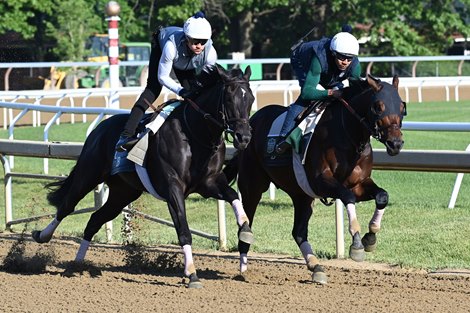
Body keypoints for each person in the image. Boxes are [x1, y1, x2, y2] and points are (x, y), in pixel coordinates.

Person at [115, 11, 217, 152]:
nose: (199, 46)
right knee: (153, 90)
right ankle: (126, 135)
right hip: (162, 47)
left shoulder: (211, 53)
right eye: (195, 41)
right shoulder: (170, 47)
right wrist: (181, 91)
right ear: (187, 38)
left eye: (203, 42)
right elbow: (162, 77)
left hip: (185, 60)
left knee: (195, 94)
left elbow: (206, 81)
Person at [275, 28, 361, 154]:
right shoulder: (319, 58)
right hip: (301, 61)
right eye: (342, 57)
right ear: (333, 53)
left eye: (349, 59)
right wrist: (330, 93)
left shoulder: (354, 65)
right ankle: (283, 138)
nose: (345, 62)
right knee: (307, 99)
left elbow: (356, 91)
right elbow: (307, 92)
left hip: (327, 69)